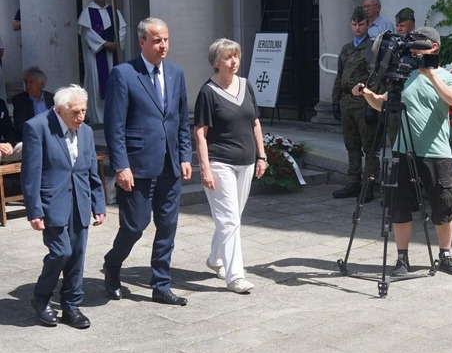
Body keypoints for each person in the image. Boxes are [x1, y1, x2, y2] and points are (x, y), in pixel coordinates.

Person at [358, 27, 452, 277]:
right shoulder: (404, 75)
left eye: (419, 46)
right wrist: (366, 93)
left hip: (436, 152)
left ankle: (445, 255)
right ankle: (402, 258)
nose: (414, 50)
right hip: (403, 150)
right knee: (399, 206)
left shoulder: (448, 76)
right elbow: (382, 104)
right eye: (412, 46)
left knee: (443, 205)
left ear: (434, 47)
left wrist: (430, 74)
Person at [103, 17, 192, 306]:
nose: (163, 45)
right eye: (156, 40)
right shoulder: (124, 74)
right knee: (135, 226)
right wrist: (121, 166)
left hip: (170, 165)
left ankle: (161, 285)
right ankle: (112, 265)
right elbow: (115, 125)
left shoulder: (176, 73)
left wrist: (185, 155)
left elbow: (181, 120)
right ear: (142, 42)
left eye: (166, 39)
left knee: (167, 227)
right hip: (137, 166)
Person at [21, 84, 106, 328]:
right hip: (52, 202)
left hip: (79, 201)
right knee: (61, 252)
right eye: (75, 112)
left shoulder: (85, 131)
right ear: (59, 111)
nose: (81, 117)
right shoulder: (37, 127)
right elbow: (31, 173)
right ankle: (41, 297)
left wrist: (98, 203)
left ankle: (71, 305)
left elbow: (91, 171)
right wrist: (34, 210)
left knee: (77, 255)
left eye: (84, 110)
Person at [194, 38, 267, 294]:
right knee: (229, 220)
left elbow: (255, 122)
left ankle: (215, 259)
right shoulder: (207, 92)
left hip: (246, 162)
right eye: (228, 57)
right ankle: (235, 276)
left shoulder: (246, 85)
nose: (234, 61)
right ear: (216, 62)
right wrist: (204, 168)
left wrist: (262, 156)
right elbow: (200, 133)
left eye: (236, 55)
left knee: (232, 218)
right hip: (220, 162)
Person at [331, 6, 379, 202]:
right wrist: (335, 100)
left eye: (361, 24)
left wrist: (372, 106)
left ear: (368, 25)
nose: (357, 28)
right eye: (354, 24)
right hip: (347, 102)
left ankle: (369, 186)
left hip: (363, 102)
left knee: (369, 147)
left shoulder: (373, 48)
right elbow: (339, 76)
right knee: (351, 144)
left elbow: (376, 78)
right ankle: (353, 182)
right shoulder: (346, 49)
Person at [78, 0, 127, 124]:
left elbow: (122, 29)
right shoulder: (87, 13)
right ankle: (99, 118)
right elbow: (87, 32)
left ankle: (113, 115)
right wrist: (104, 44)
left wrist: (116, 43)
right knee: (97, 86)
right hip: (97, 55)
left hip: (112, 54)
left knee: (114, 84)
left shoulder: (113, 11)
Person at [12, 66, 55, 134]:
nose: (27, 85)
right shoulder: (19, 100)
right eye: (26, 82)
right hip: (31, 135)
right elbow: (20, 124)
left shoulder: (52, 98)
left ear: (41, 84)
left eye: (31, 82)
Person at [0, 98, 21, 164]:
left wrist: (9, 143)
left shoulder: (1, 103)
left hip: (3, 148)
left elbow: (8, 128)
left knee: (24, 147)